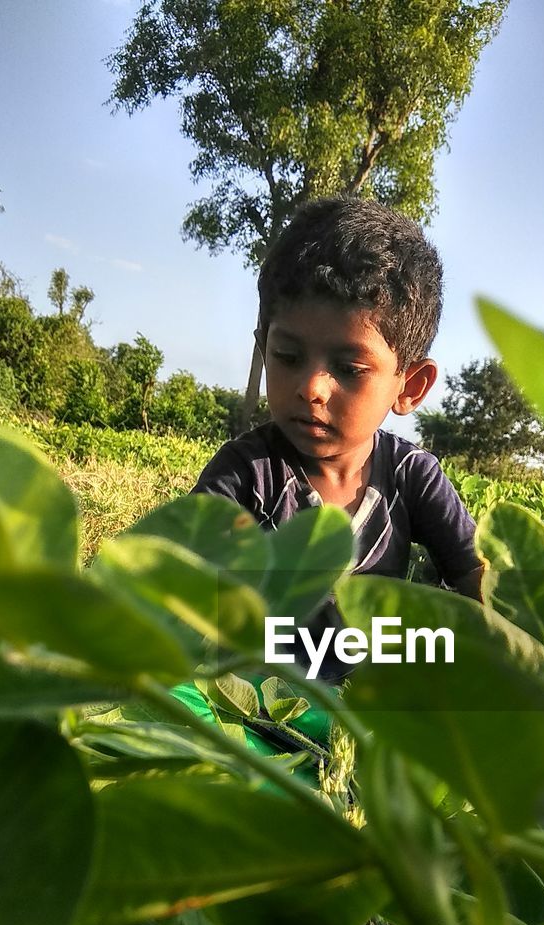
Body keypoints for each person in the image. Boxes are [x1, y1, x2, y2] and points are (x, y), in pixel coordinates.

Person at [192, 196, 482, 682]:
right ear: (264, 346)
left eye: (349, 368)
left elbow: (474, 577)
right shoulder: (246, 473)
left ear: (408, 386)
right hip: (258, 703)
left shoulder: (413, 477)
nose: (312, 388)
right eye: (287, 356)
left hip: (369, 706)